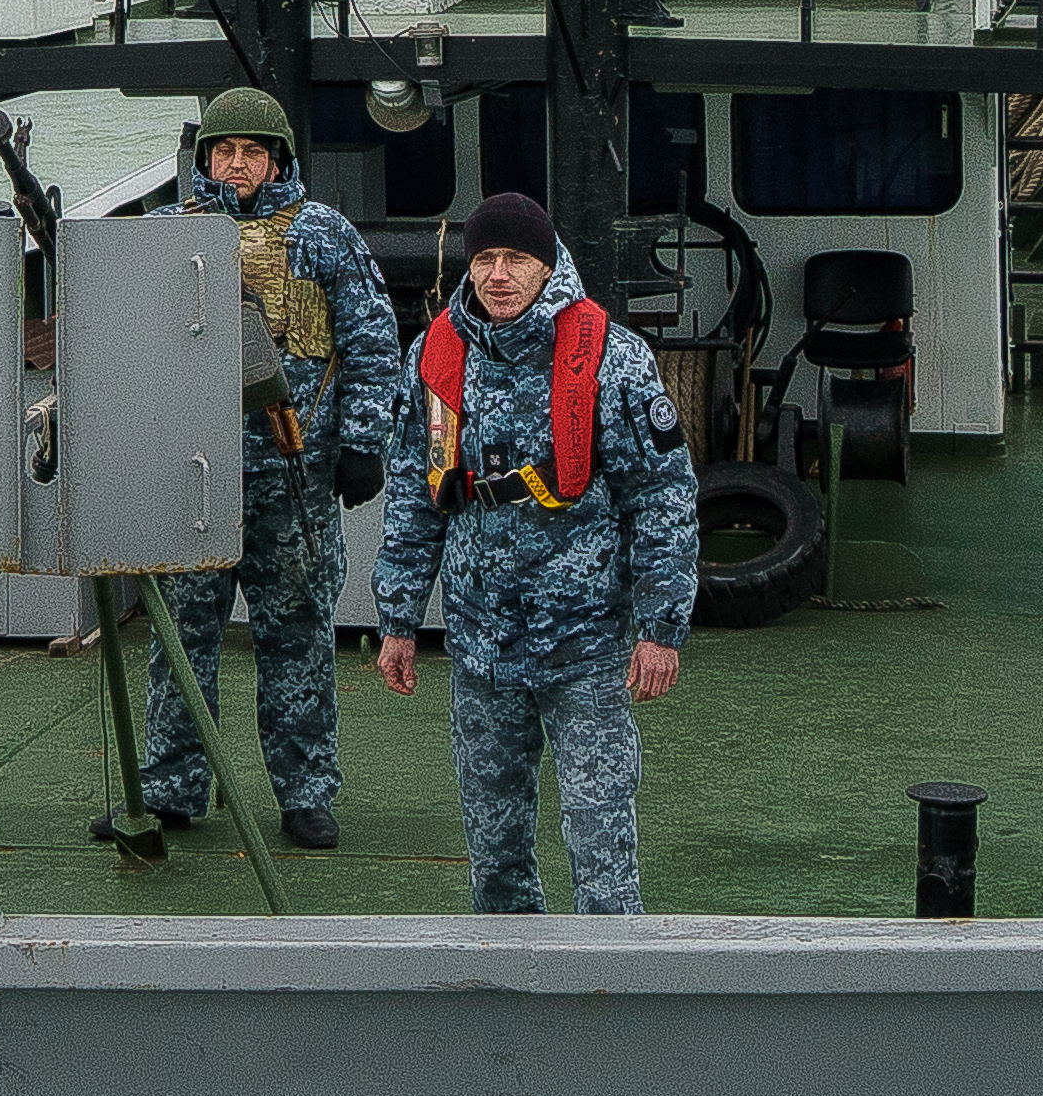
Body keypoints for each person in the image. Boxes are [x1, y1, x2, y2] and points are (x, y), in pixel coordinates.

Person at [370, 189, 698, 914]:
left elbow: (662, 498)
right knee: (494, 853)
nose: (498, 275)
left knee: (601, 845)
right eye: (484, 259)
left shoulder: (613, 359)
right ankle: (509, 997)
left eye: (516, 258)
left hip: (585, 647)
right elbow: (415, 492)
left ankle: (610, 995)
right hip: (481, 648)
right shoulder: (436, 356)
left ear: (547, 267)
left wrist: (661, 630)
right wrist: (397, 618)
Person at [113, 83, 401, 854]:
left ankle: (305, 795)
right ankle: (174, 789)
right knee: (179, 640)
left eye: (252, 152)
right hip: (194, 479)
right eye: (223, 151)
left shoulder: (325, 236)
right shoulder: (167, 235)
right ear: (204, 158)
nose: (237, 164)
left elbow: (374, 344)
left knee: (299, 641)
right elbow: (128, 349)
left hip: (293, 479)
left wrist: (365, 442)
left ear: (279, 161)